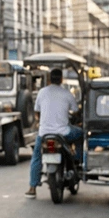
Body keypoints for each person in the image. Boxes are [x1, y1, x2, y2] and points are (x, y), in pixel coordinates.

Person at [25, 68, 81, 199]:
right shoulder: (67, 93)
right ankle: (78, 160)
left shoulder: (42, 92)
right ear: (61, 79)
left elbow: (37, 111)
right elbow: (76, 110)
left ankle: (32, 188)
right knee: (81, 133)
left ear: (50, 79)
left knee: (36, 157)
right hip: (63, 133)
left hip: (44, 134)